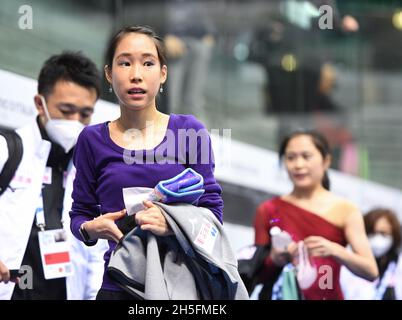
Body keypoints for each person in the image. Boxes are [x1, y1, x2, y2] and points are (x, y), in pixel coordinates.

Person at [69, 25, 223, 300]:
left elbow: (213, 218)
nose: (136, 75)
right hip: (119, 284)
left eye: (148, 63)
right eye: (125, 63)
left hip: (180, 287)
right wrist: (89, 229)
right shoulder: (91, 140)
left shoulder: (189, 131)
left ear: (163, 73)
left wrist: (174, 228)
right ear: (109, 73)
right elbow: (80, 213)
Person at [0, 52, 107, 300]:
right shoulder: (2, 151)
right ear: (39, 103)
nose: (75, 121)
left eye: (85, 114)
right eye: (66, 110)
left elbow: (95, 255)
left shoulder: (89, 170)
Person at [253, 129, 378, 300]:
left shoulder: (346, 210)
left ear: (326, 161)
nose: (298, 165)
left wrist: (335, 250)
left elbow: (371, 271)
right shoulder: (268, 209)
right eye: (290, 158)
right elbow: (255, 273)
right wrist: (275, 259)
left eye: (306, 156)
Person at [163, 0, 216, 118]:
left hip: (198, 41)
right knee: (171, 102)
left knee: (194, 101)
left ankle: (196, 134)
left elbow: (203, 9)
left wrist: (209, 32)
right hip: (172, 43)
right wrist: (163, 36)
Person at [341, 208, 402, 300]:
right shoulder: (349, 261)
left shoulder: (398, 265)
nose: (377, 239)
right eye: (372, 233)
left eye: (383, 233)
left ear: (394, 236)